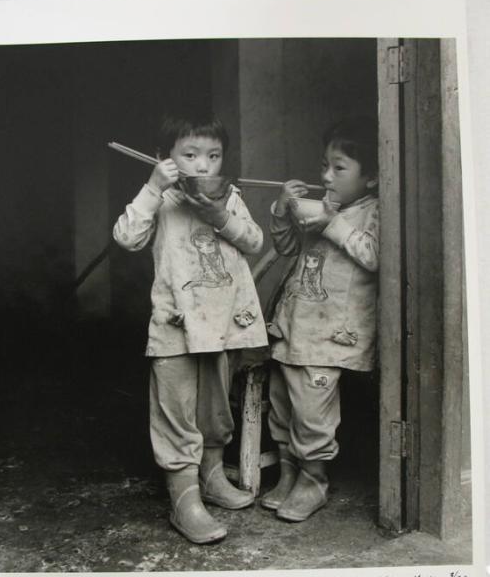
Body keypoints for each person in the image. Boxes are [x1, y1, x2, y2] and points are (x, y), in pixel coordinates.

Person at [113, 112, 268, 543]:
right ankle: (185, 501)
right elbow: (127, 237)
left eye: (213, 156)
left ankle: (213, 478)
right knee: (176, 411)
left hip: (222, 325)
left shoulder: (230, 197)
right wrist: (151, 187)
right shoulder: (161, 197)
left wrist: (220, 216)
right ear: (165, 159)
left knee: (216, 408)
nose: (203, 166)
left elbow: (255, 242)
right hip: (175, 325)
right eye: (191, 155)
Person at [262, 115, 379, 522]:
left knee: (312, 413)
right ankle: (289, 472)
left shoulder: (372, 213)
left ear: (372, 178)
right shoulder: (324, 207)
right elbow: (287, 248)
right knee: (281, 406)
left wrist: (332, 223)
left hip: (331, 335)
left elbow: (375, 257)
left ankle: (314, 480)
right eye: (324, 165)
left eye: (339, 167)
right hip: (294, 326)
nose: (326, 176)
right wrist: (281, 209)